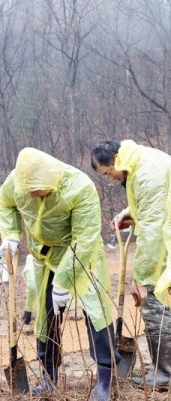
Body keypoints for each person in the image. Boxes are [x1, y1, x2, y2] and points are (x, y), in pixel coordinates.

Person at [0, 147, 120, 400]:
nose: (32, 194)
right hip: (45, 257)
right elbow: (5, 203)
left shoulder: (79, 187)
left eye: (38, 189)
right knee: (45, 317)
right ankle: (49, 376)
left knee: (96, 313)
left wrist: (63, 283)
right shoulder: (17, 183)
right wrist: (10, 234)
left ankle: (105, 379)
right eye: (27, 190)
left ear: (50, 178)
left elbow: (84, 240)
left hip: (81, 255)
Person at [91, 140, 171, 388]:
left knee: (156, 306)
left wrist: (143, 279)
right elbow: (150, 203)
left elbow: (152, 230)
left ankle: (165, 374)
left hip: (163, 242)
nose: (111, 178)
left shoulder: (147, 173)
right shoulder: (141, 161)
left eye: (108, 172)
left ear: (116, 159)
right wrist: (129, 212)